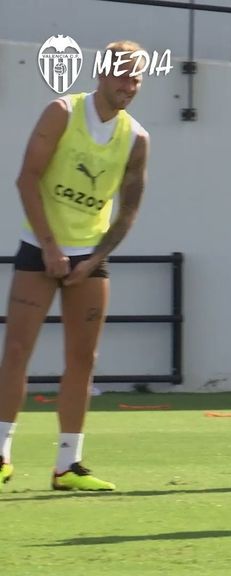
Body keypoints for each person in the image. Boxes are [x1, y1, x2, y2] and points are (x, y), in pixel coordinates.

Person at [0, 40, 151, 493]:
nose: (131, 86)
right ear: (102, 73)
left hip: (89, 257)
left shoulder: (137, 138)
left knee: (83, 359)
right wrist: (49, 247)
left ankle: (68, 465)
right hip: (39, 246)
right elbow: (26, 178)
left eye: (138, 78)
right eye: (124, 75)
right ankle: (1, 454)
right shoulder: (62, 112)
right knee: (17, 351)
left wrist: (97, 260)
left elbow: (127, 211)